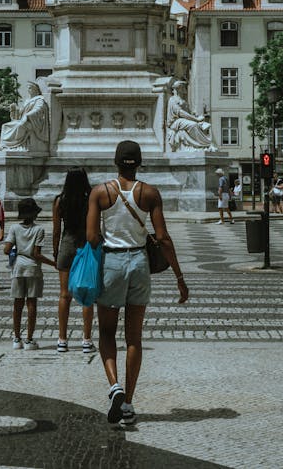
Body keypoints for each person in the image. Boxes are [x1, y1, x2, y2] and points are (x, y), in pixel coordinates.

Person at [87, 139, 188, 429]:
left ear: (115, 162)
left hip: (112, 264)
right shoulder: (150, 193)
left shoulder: (100, 193)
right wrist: (179, 277)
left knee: (106, 332)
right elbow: (163, 237)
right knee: (134, 337)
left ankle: (114, 385)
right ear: (140, 162)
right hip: (140, 264)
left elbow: (92, 236)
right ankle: (128, 403)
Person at [4, 197, 57, 350]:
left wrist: (15, 250)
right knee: (32, 303)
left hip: (18, 269)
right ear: (35, 214)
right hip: (33, 269)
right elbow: (37, 254)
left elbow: (6, 249)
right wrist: (53, 263)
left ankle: (16, 338)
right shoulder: (39, 229)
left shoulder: (14, 228)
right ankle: (29, 339)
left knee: (17, 304)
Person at [53, 167, 95, 354]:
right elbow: (95, 227)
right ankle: (86, 340)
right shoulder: (91, 200)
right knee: (86, 295)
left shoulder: (60, 201)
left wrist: (56, 252)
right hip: (85, 245)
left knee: (64, 295)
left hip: (67, 244)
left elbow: (56, 231)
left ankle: (62, 340)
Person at [0, 82, 49, 152]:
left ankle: (15, 145)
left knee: (20, 126)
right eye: (28, 88)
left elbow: (38, 109)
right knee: (5, 126)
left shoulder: (39, 99)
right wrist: (14, 110)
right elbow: (20, 113)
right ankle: (3, 146)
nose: (29, 90)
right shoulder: (27, 101)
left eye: (30, 88)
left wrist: (27, 116)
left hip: (32, 122)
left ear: (35, 90)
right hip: (23, 120)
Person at [166, 82, 216, 151]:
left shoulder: (184, 101)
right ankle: (205, 144)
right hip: (175, 122)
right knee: (194, 125)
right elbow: (181, 113)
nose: (185, 89)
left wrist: (196, 116)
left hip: (182, 120)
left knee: (204, 125)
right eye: (183, 87)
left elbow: (188, 113)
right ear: (179, 89)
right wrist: (196, 119)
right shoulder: (173, 99)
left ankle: (207, 144)